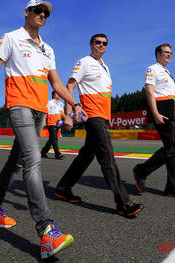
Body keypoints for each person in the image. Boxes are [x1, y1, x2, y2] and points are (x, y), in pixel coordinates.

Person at [0, 0, 88, 260]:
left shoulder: (48, 49)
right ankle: (46, 231)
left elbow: (57, 84)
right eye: (37, 11)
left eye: (46, 13)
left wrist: (75, 103)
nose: (42, 15)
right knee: (33, 160)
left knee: (15, 163)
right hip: (19, 106)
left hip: (40, 111)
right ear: (26, 12)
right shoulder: (11, 38)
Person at [54, 34, 143, 217]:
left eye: (104, 44)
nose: (101, 45)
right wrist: (69, 115)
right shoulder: (84, 62)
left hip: (103, 116)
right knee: (108, 158)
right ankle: (123, 202)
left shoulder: (105, 66)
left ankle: (63, 188)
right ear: (91, 44)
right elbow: (69, 87)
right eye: (98, 42)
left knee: (85, 156)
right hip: (93, 116)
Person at [132, 43, 175, 199]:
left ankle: (172, 186)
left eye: (171, 52)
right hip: (164, 113)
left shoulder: (167, 72)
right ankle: (141, 171)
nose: (169, 55)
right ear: (158, 54)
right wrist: (155, 114)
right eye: (166, 52)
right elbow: (150, 92)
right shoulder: (152, 69)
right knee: (172, 147)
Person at [41, 91, 65, 159]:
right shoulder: (50, 102)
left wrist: (67, 119)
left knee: (51, 139)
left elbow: (62, 113)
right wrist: (44, 122)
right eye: (57, 93)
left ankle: (42, 153)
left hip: (58, 123)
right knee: (54, 139)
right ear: (53, 95)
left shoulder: (61, 104)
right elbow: (46, 112)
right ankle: (58, 154)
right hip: (51, 123)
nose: (59, 94)